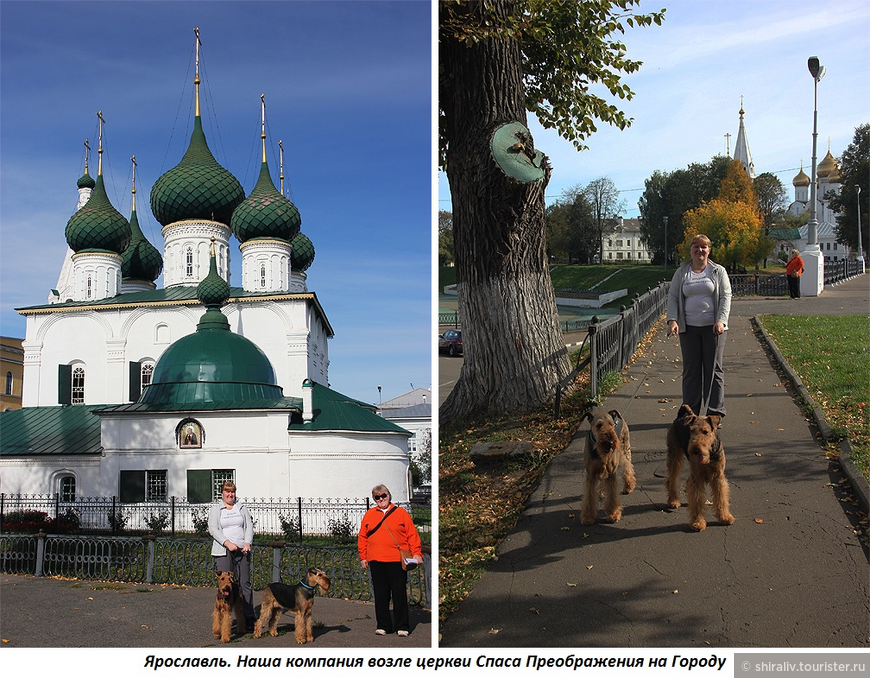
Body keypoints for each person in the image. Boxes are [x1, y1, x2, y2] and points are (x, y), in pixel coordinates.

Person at [667, 234, 732, 419]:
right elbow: (672, 296)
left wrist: (721, 320)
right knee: (691, 371)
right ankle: (690, 414)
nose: (700, 250)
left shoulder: (718, 271)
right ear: (691, 251)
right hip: (688, 329)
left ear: (709, 250)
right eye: (696, 247)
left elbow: (726, 296)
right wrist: (672, 320)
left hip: (714, 329)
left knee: (713, 370)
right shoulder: (682, 272)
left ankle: (714, 414)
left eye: (704, 247)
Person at [358, 484, 423, 637]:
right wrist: (363, 556)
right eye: (377, 497)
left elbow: (412, 534)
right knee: (381, 594)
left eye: (383, 496)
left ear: (389, 495)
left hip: (396, 560)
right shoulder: (370, 514)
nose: (381, 499)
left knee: (399, 593)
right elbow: (362, 537)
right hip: (376, 560)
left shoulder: (401, 513)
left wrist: (417, 553)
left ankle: (402, 626)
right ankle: (383, 625)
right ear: (374, 499)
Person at [208, 481, 256, 631]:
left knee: (244, 584)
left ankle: (248, 617)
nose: (230, 495)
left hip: (242, 551)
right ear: (222, 493)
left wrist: (247, 543)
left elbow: (248, 527)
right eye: (227, 492)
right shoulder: (216, 510)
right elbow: (213, 529)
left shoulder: (241, 508)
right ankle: (222, 618)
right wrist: (227, 543)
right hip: (224, 550)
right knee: (225, 585)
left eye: (232, 492)